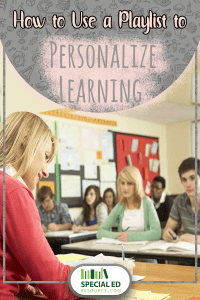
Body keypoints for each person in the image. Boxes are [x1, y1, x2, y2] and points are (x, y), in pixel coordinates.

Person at [0, 112, 81, 299]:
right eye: (45, 157)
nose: (45, 172)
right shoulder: (12, 190)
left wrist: (18, 284)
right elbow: (56, 282)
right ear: (25, 139)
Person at [97, 166, 161, 242]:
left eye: (129, 183)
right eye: (122, 183)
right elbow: (100, 232)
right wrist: (119, 236)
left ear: (136, 185)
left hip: (144, 250)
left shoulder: (146, 202)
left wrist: (130, 237)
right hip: (125, 250)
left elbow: (157, 233)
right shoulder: (120, 206)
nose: (125, 188)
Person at [162, 157, 200, 244]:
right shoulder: (180, 201)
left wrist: (191, 238)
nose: (188, 184)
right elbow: (166, 231)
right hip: (187, 253)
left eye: (192, 178)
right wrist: (167, 234)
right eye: (184, 180)